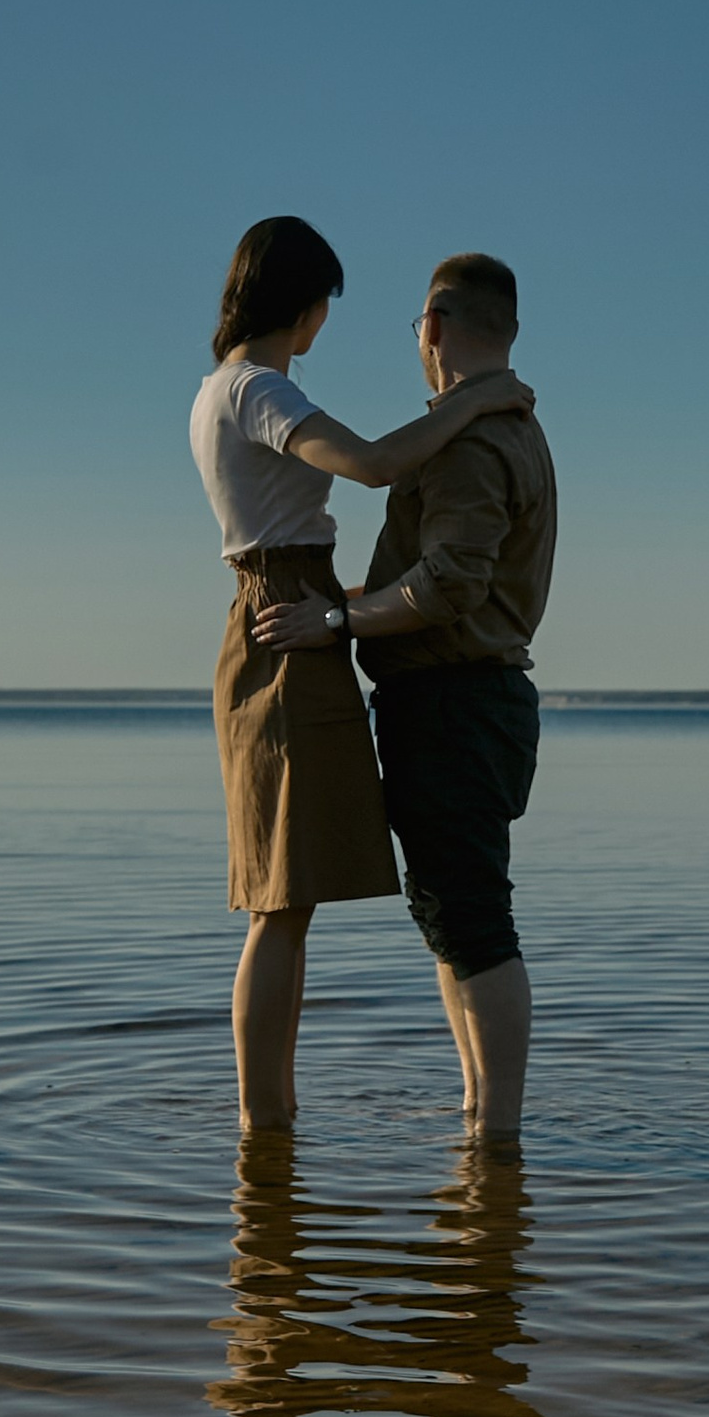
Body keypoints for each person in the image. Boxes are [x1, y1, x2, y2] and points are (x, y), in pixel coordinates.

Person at [191, 216, 528, 1132]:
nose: (324, 325)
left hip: (296, 609)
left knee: (290, 900)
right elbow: (378, 466)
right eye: (325, 306)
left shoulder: (231, 388)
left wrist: (338, 607)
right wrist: (477, 400)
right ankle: (267, 1125)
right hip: (288, 625)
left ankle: (273, 1130)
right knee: (281, 898)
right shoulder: (256, 388)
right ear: (303, 305)